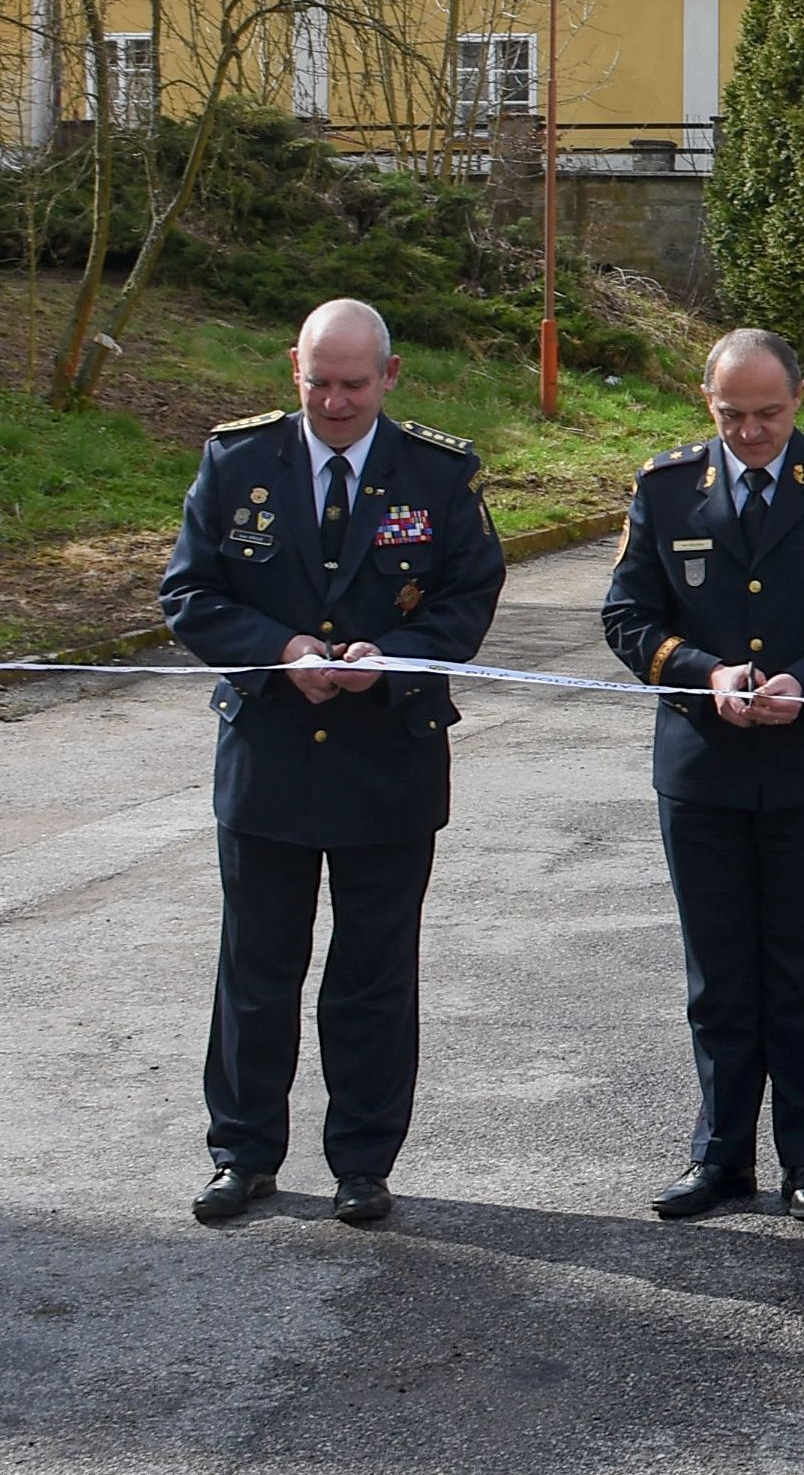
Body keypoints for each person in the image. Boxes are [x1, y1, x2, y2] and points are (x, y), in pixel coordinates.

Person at [161, 298, 502, 1230]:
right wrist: (281, 651)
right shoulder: (237, 461)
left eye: (355, 384)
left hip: (386, 761)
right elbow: (188, 593)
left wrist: (385, 660)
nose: (336, 402)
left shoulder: (437, 472)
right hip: (269, 758)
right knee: (256, 970)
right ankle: (242, 1154)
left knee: (373, 976)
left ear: (389, 378)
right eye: (319, 382)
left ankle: (362, 1162)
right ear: (293, 370)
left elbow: (470, 598)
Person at [598, 328, 804, 1226]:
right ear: (708, 403)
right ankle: (720, 1155)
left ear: (799, 400)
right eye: (732, 415)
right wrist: (705, 674)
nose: (751, 432)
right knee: (721, 976)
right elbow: (627, 615)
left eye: (768, 414)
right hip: (705, 770)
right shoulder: (666, 489)